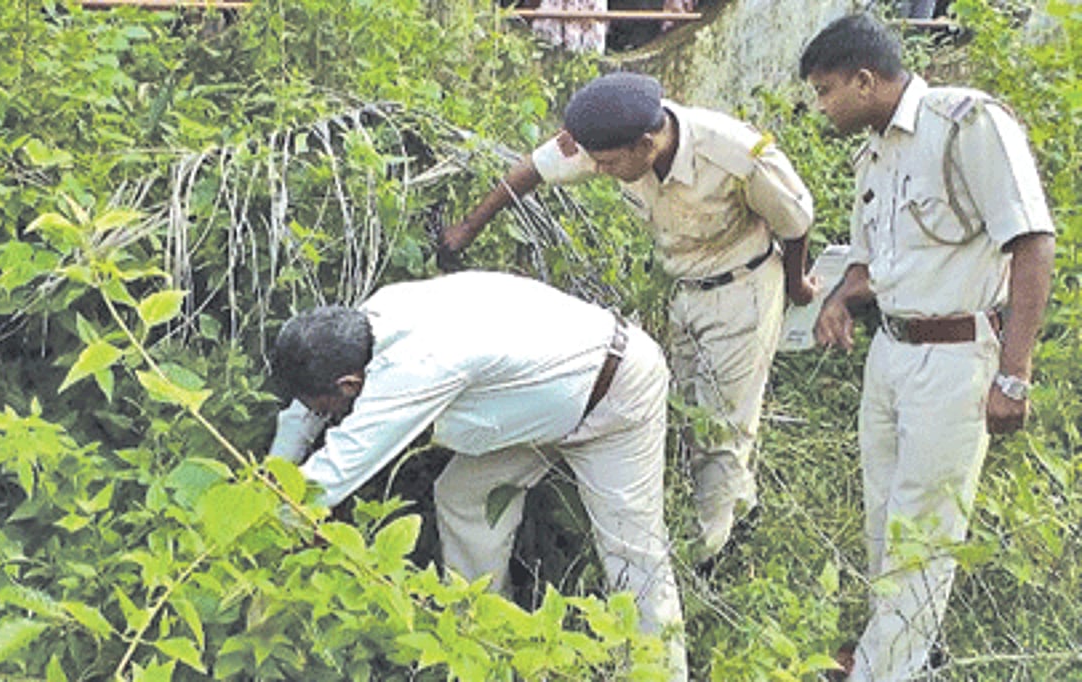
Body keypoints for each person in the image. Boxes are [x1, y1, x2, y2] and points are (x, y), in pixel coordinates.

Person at [436, 72, 816, 568]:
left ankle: (707, 558)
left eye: (610, 163)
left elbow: (797, 220)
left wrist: (796, 285)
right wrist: (467, 228)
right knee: (687, 414)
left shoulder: (734, 154)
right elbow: (533, 170)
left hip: (742, 290)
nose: (599, 169)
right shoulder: (611, 137)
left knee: (722, 431)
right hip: (684, 289)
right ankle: (740, 512)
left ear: (646, 144)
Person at [268, 270, 689, 679]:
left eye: (329, 407)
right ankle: (485, 643)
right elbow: (301, 414)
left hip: (615, 392)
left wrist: (258, 520)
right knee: (463, 497)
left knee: (632, 555)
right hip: (537, 397)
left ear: (349, 384)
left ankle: (664, 673)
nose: (327, 418)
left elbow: (336, 472)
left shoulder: (416, 366)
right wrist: (268, 478)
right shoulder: (362, 329)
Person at [800, 14, 1055, 681]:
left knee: (925, 530)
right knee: (885, 518)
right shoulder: (874, 153)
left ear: (865, 79)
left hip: (955, 355)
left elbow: (1030, 242)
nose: (822, 107)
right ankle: (900, 652)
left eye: (827, 91)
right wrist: (839, 301)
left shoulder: (966, 124)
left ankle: (884, 672)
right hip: (891, 351)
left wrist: (1015, 373)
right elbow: (869, 264)